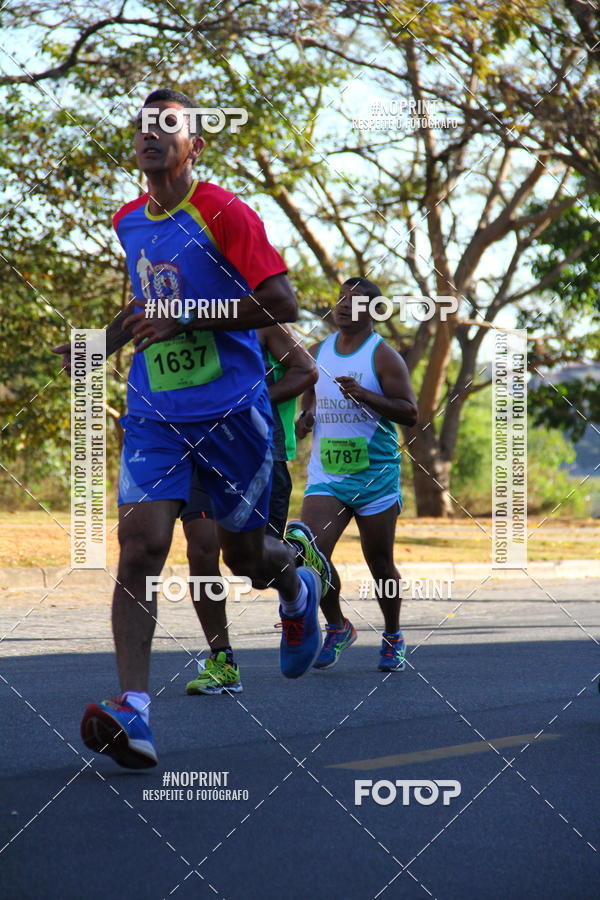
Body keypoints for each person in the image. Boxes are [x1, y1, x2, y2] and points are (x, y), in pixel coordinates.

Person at [52, 88, 328, 769]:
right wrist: (99, 346)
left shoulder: (225, 211)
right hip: (155, 414)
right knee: (141, 545)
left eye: (168, 126)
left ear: (194, 144)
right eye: (143, 125)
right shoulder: (127, 221)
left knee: (243, 558)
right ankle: (135, 712)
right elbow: (145, 303)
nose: (151, 135)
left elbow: (281, 301)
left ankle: (295, 582)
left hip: (234, 415)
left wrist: (191, 317)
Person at [286, 277, 418, 673]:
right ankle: (338, 626)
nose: (343, 305)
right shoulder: (317, 352)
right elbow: (309, 389)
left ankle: (393, 634)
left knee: (380, 563)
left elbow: (409, 413)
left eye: (355, 300)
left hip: (374, 475)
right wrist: (306, 415)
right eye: (341, 298)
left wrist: (365, 395)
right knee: (309, 553)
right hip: (327, 474)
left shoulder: (383, 357)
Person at [181, 323, 317, 695]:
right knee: (201, 548)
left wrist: (252, 399)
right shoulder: (188, 319)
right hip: (200, 449)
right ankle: (221, 660)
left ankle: (297, 562)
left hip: (260, 454)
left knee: (255, 571)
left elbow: (306, 370)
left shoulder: (262, 322)